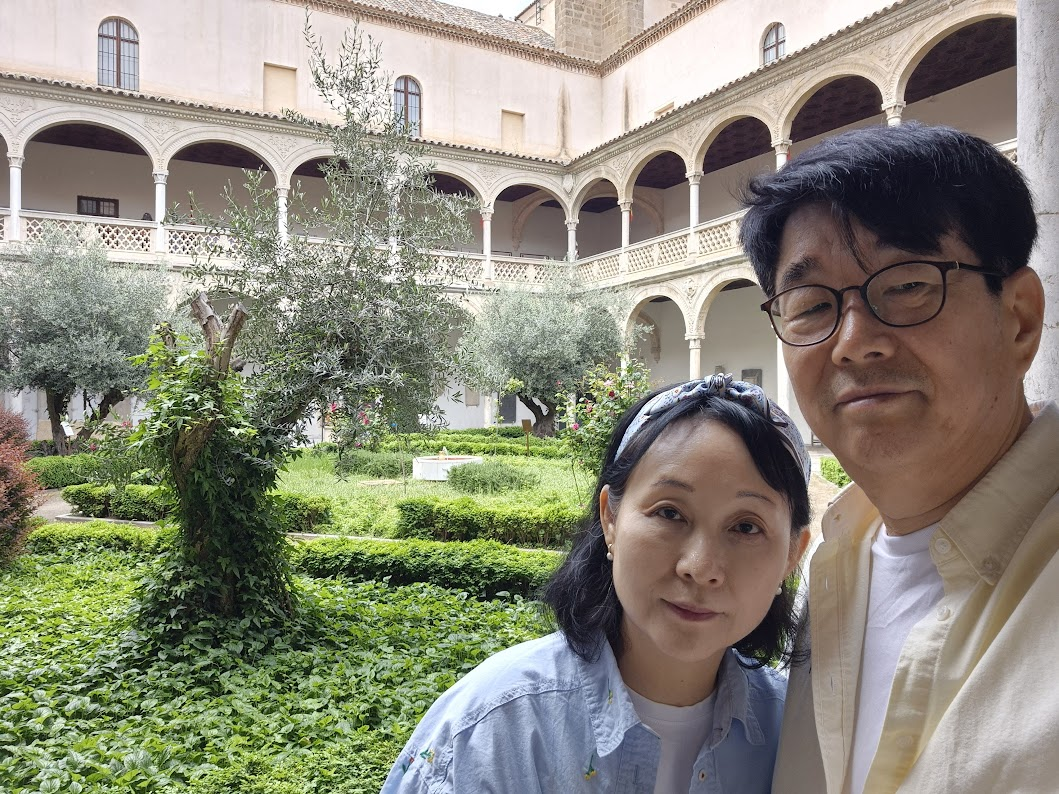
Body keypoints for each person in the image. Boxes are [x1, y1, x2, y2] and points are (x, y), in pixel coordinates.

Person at [738, 121, 1056, 793]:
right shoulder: (832, 567)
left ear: (1019, 318)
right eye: (810, 305)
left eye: (908, 285)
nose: (854, 341)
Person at [381, 375, 812, 793]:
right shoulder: (490, 732)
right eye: (669, 513)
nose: (699, 568)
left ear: (792, 555)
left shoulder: (802, 738)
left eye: (746, 527)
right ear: (610, 518)